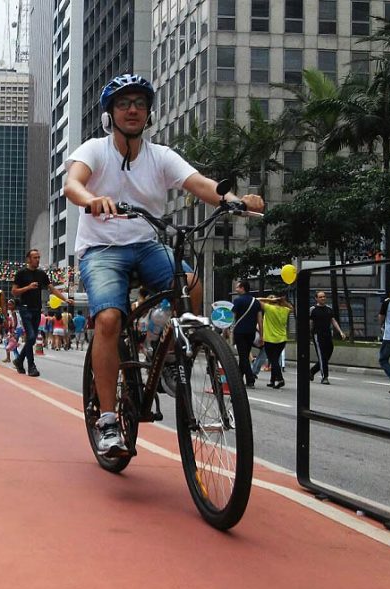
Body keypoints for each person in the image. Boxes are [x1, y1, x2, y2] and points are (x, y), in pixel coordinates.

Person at [62, 73, 264, 456]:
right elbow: (73, 183)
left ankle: (170, 353)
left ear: (149, 112)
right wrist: (91, 199)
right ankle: (107, 421)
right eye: (124, 104)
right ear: (110, 115)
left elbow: (202, 184)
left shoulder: (161, 156)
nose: (133, 109)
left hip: (145, 243)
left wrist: (236, 201)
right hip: (102, 249)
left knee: (191, 283)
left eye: (139, 103)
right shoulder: (94, 150)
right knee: (108, 319)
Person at [12, 249, 73, 377]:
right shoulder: (21, 273)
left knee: (31, 339)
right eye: (35, 257)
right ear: (28, 259)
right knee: (32, 337)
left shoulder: (41, 274)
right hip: (25, 308)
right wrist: (28, 287)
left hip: (36, 309)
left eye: (39, 257)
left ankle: (19, 360)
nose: (37, 260)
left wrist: (65, 299)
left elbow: (52, 289)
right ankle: (31, 366)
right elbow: (14, 292)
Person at [307, 290, 345, 385]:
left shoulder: (329, 309)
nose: (323, 298)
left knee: (327, 355)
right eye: (320, 297)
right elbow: (310, 323)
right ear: (316, 298)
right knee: (322, 357)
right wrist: (309, 335)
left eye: (324, 296)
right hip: (317, 336)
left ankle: (312, 371)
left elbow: (333, 321)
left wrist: (340, 332)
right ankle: (325, 377)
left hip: (328, 335)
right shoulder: (313, 309)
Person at [231, 281, 263, 388]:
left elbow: (232, 317)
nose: (236, 289)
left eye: (237, 287)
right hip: (251, 332)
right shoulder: (256, 302)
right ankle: (239, 379)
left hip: (239, 332)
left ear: (242, 288)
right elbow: (260, 320)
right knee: (244, 355)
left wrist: (228, 330)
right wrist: (262, 335)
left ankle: (250, 379)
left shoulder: (237, 301)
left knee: (243, 356)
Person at [260, 295, 293, 389]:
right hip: (282, 339)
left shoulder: (269, 308)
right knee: (274, 359)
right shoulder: (285, 310)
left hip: (270, 339)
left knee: (273, 360)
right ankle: (272, 380)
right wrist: (283, 301)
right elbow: (292, 308)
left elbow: (256, 300)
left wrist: (269, 299)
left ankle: (280, 379)